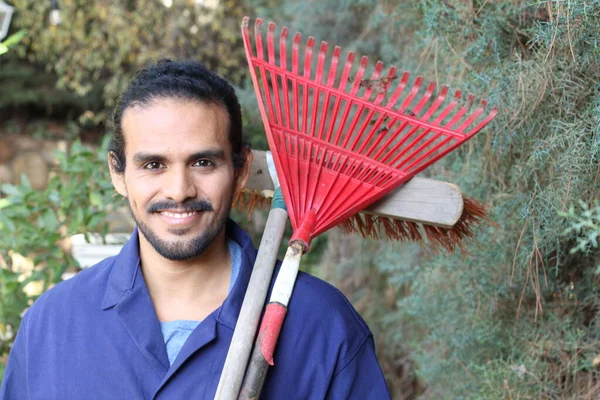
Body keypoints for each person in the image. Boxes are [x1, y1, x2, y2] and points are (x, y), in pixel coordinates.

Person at [0, 60, 391, 399]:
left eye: (203, 163)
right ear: (117, 174)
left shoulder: (322, 326)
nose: (178, 191)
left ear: (239, 170)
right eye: (153, 165)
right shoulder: (51, 327)